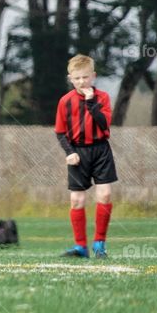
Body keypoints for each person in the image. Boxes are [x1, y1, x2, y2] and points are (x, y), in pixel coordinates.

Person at [55, 54, 117, 259]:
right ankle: (81, 247)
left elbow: (103, 123)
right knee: (76, 200)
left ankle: (99, 244)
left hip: (101, 150)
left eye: (85, 77)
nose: (82, 82)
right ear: (70, 78)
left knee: (105, 195)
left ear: (93, 76)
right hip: (77, 153)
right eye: (77, 78)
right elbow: (60, 132)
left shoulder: (103, 98)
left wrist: (91, 104)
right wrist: (69, 152)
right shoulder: (65, 102)